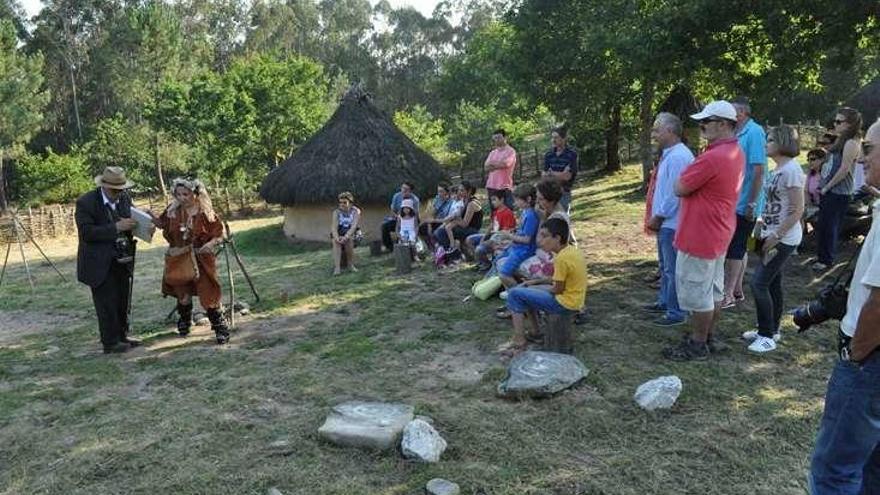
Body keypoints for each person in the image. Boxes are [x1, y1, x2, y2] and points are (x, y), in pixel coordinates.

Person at [808, 118, 880, 494]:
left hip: (869, 363)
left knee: (833, 469)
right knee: (871, 466)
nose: (862, 158)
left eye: (868, 148)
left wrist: (856, 356)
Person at [662, 100, 744, 361]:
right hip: (719, 231)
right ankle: (708, 336)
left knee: (699, 294)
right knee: (713, 290)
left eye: (706, 123)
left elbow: (679, 187)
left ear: (722, 124)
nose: (701, 127)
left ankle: (697, 343)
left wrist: (686, 175)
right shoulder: (735, 151)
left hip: (700, 234)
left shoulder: (712, 157)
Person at [741, 125, 806, 353]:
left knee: (758, 283)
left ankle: (766, 335)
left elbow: (797, 210)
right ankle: (771, 329)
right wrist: (760, 225)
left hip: (784, 239)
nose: (765, 144)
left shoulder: (792, 170)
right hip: (768, 234)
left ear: (782, 142)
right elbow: (772, 205)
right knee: (772, 283)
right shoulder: (777, 169)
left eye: (769, 140)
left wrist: (777, 236)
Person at [150, 178, 229, 344]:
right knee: (183, 294)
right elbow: (162, 224)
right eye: (178, 194)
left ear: (195, 193)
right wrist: (149, 216)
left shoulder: (205, 212)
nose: (182, 198)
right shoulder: (173, 211)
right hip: (180, 258)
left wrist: (210, 243)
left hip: (202, 258)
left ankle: (220, 327)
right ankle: (185, 321)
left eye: (186, 194)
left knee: (208, 295)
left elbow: (219, 234)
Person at [75, 166, 143, 354]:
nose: (118, 193)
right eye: (114, 190)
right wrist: (116, 227)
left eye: (121, 189)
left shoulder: (125, 198)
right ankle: (110, 342)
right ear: (104, 186)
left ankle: (122, 335)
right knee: (106, 303)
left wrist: (144, 227)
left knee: (122, 299)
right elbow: (87, 233)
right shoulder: (86, 202)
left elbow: (132, 220)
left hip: (122, 258)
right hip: (98, 262)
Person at [499, 217, 587, 357]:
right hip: (573, 299)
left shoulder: (561, 259)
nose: (540, 240)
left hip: (565, 303)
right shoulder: (570, 251)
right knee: (525, 291)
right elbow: (559, 280)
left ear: (557, 238)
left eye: (545, 236)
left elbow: (557, 289)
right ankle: (535, 332)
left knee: (515, 294)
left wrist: (536, 289)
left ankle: (519, 341)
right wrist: (536, 283)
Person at [644, 112, 695, 327]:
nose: (653, 134)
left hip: (672, 222)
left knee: (673, 269)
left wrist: (659, 215)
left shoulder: (678, 157)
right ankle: (665, 302)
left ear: (670, 131)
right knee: (665, 266)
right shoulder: (670, 154)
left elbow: (676, 193)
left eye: (657, 129)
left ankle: (676, 312)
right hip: (666, 222)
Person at [721, 97, 767, 309]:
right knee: (738, 247)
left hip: (745, 201)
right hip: (733, 200)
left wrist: (751, 203)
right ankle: (737, 289)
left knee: (735, 247)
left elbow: (758, 170)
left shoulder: (754, 132)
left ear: (741, 113)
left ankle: (728, 294)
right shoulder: (736, 133)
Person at [815, 107, 863, 271]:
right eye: (835, 121)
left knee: (829, 226)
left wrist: (827, 186)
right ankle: (822, 257)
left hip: (839, 192)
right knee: (824, 224)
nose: (835, 124)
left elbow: (844, 170)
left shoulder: (851, 143)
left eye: (839, 121)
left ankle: (826, 260)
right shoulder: (841, 140)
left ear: (850, 124)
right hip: (829, 190)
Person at [494, 184, 540, 318]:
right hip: (518, 247)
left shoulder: (531, 215)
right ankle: (512, 302)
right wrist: (510, 237)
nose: (515, 202)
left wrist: (509, 236)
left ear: (528, 199)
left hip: (525, 250)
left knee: (504, 274)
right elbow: (521, 233)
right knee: (498, 260)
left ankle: (518, 302)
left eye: (518, 199)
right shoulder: (525, 212)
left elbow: (526, 239)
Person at [466, 189, 516, 271]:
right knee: (469, 240)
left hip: (500, 239)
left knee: (479, 249)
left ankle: (486, 265)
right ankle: (481, 262)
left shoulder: (508, 213)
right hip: (493, 235)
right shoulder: (496, 212)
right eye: (491, 200)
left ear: (502, 200)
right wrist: (484, 238)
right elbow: (491, 225)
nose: (492, 202)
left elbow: (506, 233)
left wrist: (489, 241)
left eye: (494, 200)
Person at [433, 181, 482, 252]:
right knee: (439, 231)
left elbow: (465, 224)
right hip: (463, 227)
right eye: (459, 190)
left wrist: (454, 221)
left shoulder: (472, 204)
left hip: (472, 229)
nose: (459, 192)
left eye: (462, 190)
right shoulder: (463, 200)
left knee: (441, 232)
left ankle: (453, 252)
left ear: (469, 191)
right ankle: (449, 251)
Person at [543, 126, 579, 213]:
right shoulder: (548, 154)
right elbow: (544, 176)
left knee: (562, 219)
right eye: (552, 137)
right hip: (549, 193)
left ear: (564, 138)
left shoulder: (572, 154)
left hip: (564, 193)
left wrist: (551, 173)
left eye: (556, 137)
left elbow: (567, 177)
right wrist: (560, 174)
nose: (553, 140)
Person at [381, 182, 420, 252]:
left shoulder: (415, 200)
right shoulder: (397, 196)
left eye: (406, 189)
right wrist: (399, 218)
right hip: (398, 219)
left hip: (410, 220)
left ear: (410, 191)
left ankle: (412, 246)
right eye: (402, 188)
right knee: (385, 226)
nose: (403, 190)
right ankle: (390, 247)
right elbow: (392, 210)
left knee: (410, 230)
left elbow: (415, 214)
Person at [484, 128, 517, 210]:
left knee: (507, 212)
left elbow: (506, 164)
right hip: (491, 186)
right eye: (494, 138)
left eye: (498, 137)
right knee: (495, 213)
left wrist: (492, 164)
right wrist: (499, 164)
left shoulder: (511, 151)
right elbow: (486, 167)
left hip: (505, 187)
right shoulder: (492, 153)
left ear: (505, 137)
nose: (496, 140)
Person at [330, 191, 360, 276]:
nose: (342, 204)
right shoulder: (336, 212)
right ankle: (337, 268)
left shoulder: (356, 211)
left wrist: (346, 237)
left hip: (352, 231)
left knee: (349, 240)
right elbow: (334, 227)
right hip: (340, 231)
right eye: (340, 202)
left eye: (344, 202)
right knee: (336, 242)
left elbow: (354, 226)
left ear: (350, 203)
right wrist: (337, 238)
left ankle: (350, 265)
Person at [418, 183, 453, 248]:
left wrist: (433, 221)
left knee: (437, 231)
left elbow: (448, 218)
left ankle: (441, 247)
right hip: (434, 221)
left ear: (447, 192)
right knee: (421, 228)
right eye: (438, 191)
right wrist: (429, 225)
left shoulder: (451, 202)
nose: (439, 193)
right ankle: (430, 247)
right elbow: (430, 214)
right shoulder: (436, 200)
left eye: (441, 191)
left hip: (443, 222)